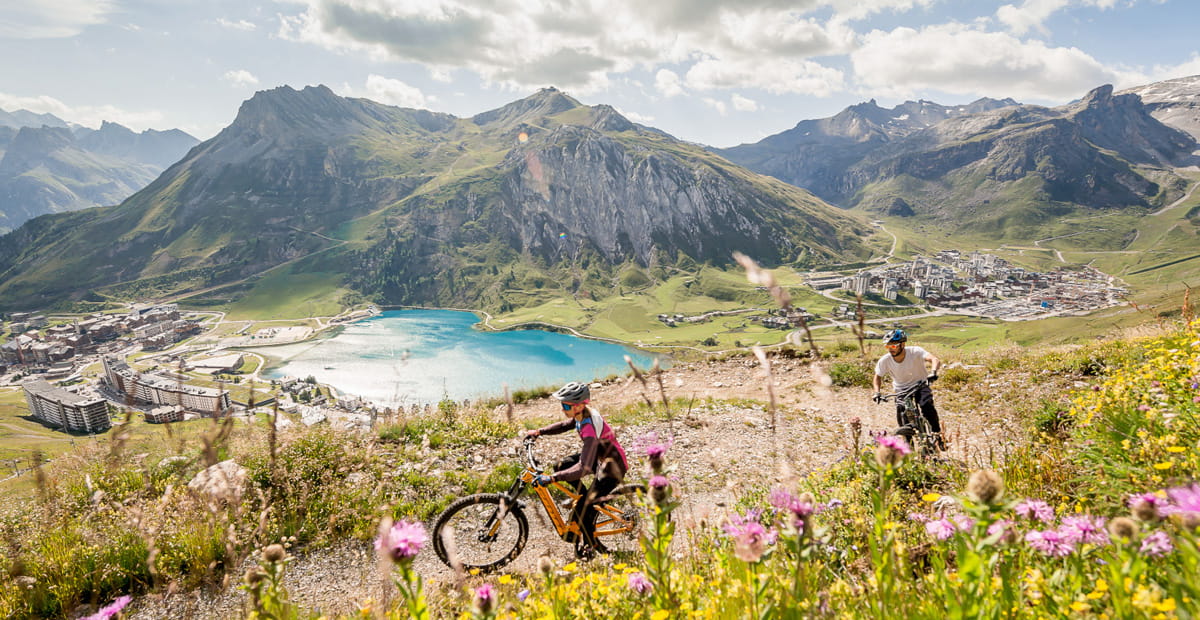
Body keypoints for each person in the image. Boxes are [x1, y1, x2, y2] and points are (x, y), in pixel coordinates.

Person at [524, 381, 628, 558]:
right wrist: (539, 432)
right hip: (600, 459)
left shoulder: (589, 429)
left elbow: (583, 468)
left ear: (579, 406)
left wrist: (552, 479)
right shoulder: (582, 415)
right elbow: (565, 425)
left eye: (565, 405)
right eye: (562, 404)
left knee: (584, 510)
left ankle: (590, 547)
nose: (562, 409)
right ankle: (587, 499)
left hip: (612, 469)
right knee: (561, 465)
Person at [872, 329, 945, 449]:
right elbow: (877, 377)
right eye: (888, 346)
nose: (891, 349)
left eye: (894, 345)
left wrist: (933, 372)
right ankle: (908, 446)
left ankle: (938, 437)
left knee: (927, 405)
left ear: (902, 344)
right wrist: (877, 392)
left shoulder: (915, 351)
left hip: (920, 385)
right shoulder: (885, 360)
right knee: (902, 414)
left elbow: (934, 359)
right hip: (901, 390)